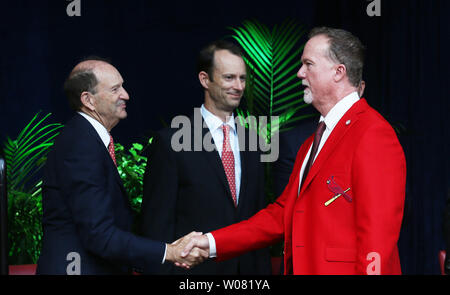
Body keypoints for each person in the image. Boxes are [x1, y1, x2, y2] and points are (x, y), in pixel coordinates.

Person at [181, 27, 407, 275]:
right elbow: (280, 215)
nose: (299, 73)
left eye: (308, 64)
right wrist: (211, 242)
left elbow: (378, 238)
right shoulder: (312, 143)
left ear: (338, 72)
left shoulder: (373, 133)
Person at [36, 58, 207, 275]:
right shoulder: (81, 144)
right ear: (88, 100)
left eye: (123, 86)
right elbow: (99, 234)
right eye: (115, 89)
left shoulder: (88, 138)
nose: (126, 95)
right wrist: (169, 252)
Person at [140, 40, 271, 275]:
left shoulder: (254, 142)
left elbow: (258, 220)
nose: (239, 86)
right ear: (204, 80)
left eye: (243, 78)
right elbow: (156, 229)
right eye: (229, 77)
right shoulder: (171, 143)